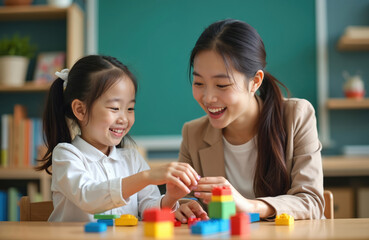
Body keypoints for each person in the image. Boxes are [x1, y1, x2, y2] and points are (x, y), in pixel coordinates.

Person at [175, 19, 324, 222]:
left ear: (255, 82)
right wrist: (183, 208)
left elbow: (311, 202)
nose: (208, 97)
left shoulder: (297, 115)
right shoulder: (193, 133)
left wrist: (249, 206)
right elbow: (186, 201)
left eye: (222, 85)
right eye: (199, 82)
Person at [36, 55, 200, 222]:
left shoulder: (132, 159)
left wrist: (170, 198)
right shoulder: (66, 155)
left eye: (130, 108)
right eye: (115, 108)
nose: (124, 118)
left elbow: (148, 208)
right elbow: (87, 196)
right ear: (80, 110)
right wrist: (147, 176)